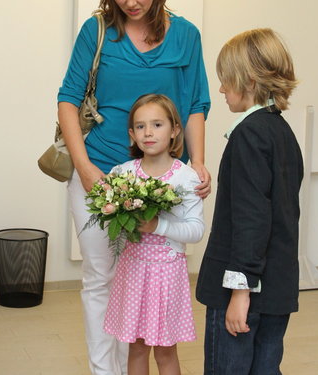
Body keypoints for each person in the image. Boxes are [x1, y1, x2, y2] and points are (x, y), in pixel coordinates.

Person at [58, 1, 210, 373]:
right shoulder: (96, 31)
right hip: (99, 173)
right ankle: (103, 370)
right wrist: (86, 168)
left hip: (159, 181)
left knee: (140, 281)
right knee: (99, 276)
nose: (132, 2)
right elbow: (68, 99)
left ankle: (132, 367)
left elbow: (195, 104)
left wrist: (198, 162)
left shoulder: (186, 35)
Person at [195, 28, 302, 375]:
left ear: (250, 82)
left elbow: (252, 219)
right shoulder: (282, 132)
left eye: (226, 80)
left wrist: (240, 292)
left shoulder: (248, 135)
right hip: (276, 290)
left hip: (245, 292)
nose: (222, 89)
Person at [103, 94, 204, 375]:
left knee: (165, 350)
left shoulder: (186, 177)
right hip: (133, 271)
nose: (148, 132)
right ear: (132, 134)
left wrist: (157, 226)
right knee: (135, 347)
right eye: (140, 126)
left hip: (167, 275)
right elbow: (112, 221)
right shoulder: (122, 174)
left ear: (174, 130)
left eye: (157, 125)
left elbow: (196, 230)